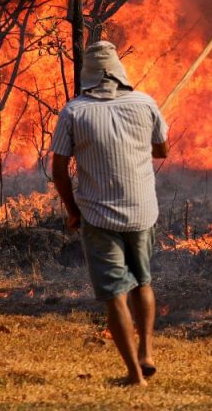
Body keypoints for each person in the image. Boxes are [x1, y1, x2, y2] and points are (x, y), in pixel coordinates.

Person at [50, 39, 169, 386]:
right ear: (119, 72)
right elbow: (162, 150)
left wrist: (72, 210)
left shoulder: (74, 111)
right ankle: (146, 352)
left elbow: (58, 169)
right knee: (142, 282)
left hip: (99, 217)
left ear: (87, 75)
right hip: (142, 212)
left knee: (115, 293)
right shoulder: (144, 102)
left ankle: (135, 375)